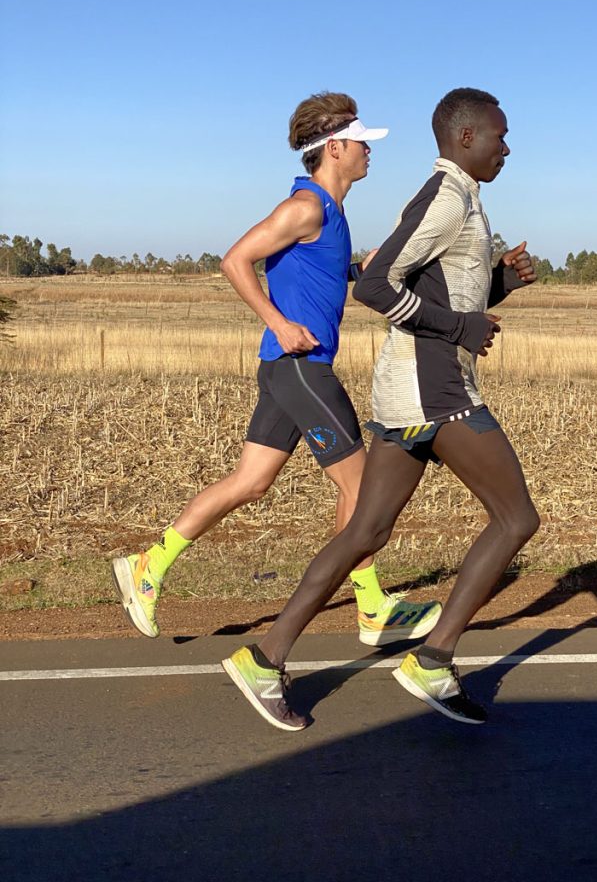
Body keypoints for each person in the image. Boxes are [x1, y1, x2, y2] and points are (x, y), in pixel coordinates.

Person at [222, 87, 539, 731]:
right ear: (466, 137)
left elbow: (437, 286)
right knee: (515, 519)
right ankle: (434, 658)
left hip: (411, 393)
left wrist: (502, 279)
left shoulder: (464, 201)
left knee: (365, 532)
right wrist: (458, 330)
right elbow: (375, 283)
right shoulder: (445, 198)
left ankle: (265, 657)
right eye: (501, 136)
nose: (509, 147)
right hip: (435, 393)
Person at [111, 91, 441, 653]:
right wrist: (279, 321)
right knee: (361, 489)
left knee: (251, 481)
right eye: (362, 142)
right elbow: (234, 259)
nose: (369, 152)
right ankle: (372, 607)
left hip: (286, 371)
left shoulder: (330, 213)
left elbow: (329, 274)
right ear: (334, 148)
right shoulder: (306, 207)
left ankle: (147, 565)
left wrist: (370, 263)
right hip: (301, 367)